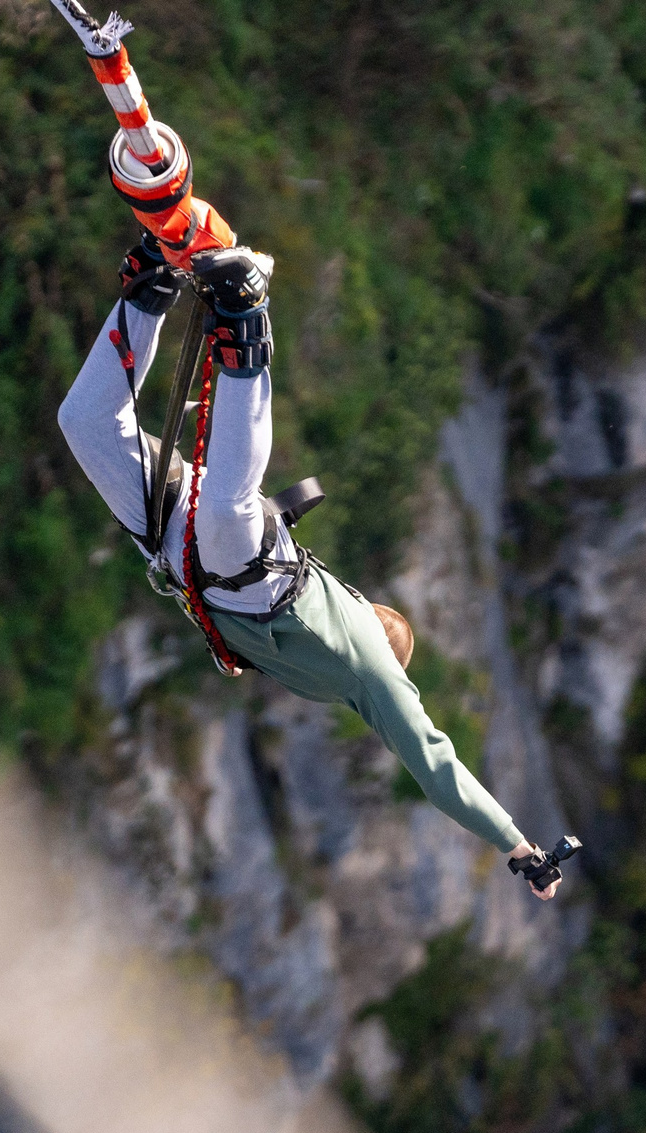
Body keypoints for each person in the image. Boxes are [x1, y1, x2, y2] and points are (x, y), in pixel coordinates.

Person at [59, 236, 564, 899]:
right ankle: (245, 320)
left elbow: (440, 766)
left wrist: (519, 845)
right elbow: (436, 767)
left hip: (171, 544)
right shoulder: (365, 662)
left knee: (87, 424)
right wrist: (517, 845)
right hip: (241, 568)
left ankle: (149, 290)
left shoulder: (366, 668)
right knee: (226, 502)